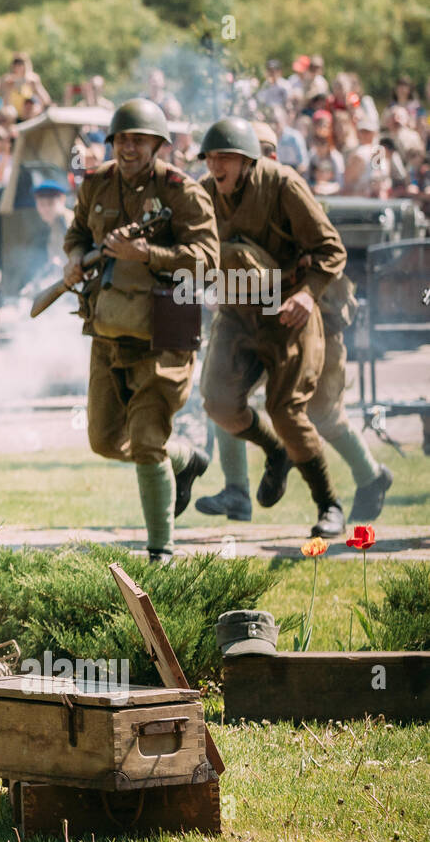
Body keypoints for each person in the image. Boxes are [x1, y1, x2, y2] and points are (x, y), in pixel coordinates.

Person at [196, 117, 392, 528]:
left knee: (302, 413)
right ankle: (260, 467)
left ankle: (332, 503)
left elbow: (329, 249)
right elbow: (193, 246)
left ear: (252, 159)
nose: (216, 166)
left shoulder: (284, 187)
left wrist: (307, 293)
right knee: (218, 401)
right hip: (239, 311)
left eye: (226, 157)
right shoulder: (204, 193)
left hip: (293, 312)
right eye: (211, 157)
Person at [62, 99, 219, 563]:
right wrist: (73, 257)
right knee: (105, 440)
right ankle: (185, 459)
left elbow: (207, 259)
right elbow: (77, 234)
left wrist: (147, 254)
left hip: (164, 333)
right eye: (122, 139)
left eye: (139, 139)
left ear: (157, 145)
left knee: (147, 440)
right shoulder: (95, 184)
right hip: (108, 329)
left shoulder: (181, 191)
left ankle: (160, 552)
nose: (129, 147)